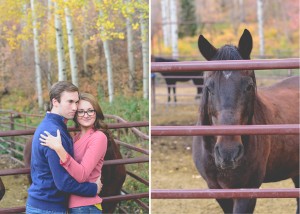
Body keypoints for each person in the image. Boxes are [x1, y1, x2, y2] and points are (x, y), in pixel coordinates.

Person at [26, 81, 102, 214]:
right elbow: (63, 183)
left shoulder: (55, 127)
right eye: (70, 102)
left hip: (45, 205)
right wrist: (93, 189)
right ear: (55, 102)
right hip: (47, 208)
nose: (75, 107)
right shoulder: (53, 133)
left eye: (76, 102)